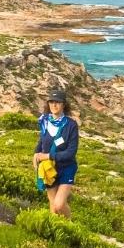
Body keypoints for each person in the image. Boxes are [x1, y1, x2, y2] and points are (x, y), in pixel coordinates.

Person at [33, 88, 79, 217]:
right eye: (51, 102)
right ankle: (56, 227)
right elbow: (42, 141)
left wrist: (48, 156)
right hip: (49, 168)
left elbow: (71, 152)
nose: (54, 105)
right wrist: (36, 154)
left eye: (58, 102)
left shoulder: (71, 125)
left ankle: (70, 224)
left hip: (66, 167)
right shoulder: (44, 121)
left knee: (59, 205)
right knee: (53, 207)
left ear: (64, 105)